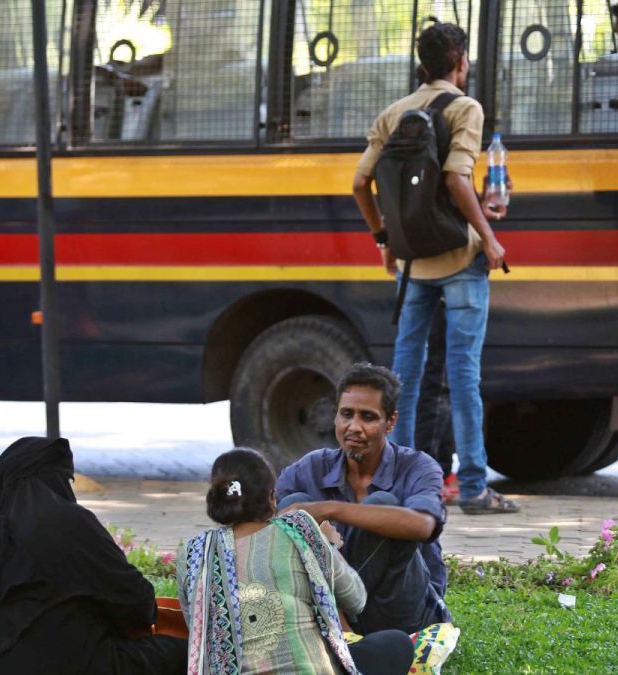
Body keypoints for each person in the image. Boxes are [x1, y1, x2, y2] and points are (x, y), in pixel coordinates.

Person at [350, 21, 516, 514]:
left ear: (422, 65)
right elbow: (456, 179)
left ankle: (396, 484)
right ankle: (472, 488)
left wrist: (385, 239)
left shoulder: (393, 113)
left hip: (412, 265)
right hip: (460, 258)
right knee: (463, 374)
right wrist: (490, 238)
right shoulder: (466, 108)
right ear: (460, 62)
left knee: (403, 377)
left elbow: (360, 184)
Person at [0, 437, 187, 675]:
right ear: (54, 480)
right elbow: (138, 603)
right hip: (66, 666)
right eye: (65, 480)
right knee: (184, 654)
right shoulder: (69, 523)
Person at [177, 447, 415, 675]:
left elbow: (198, 627)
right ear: (272, 498)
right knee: (396, 643)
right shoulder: (298, 529)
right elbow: (356, 599)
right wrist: (327, 546)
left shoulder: (192, 553)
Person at [276, 363, 451, 635]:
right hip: (332, 609)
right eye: (346, 414)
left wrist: (327, 509)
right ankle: (343, 629)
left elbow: (423, 525)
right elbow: (266, 533)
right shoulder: (309, 469)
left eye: (367, 417)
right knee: (294, 505)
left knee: (381, 504)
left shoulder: (417, 466)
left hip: (401, 611)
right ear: (335, 416)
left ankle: (342, 630)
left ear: (391, 422)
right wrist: (313, 530)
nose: (353, 427)